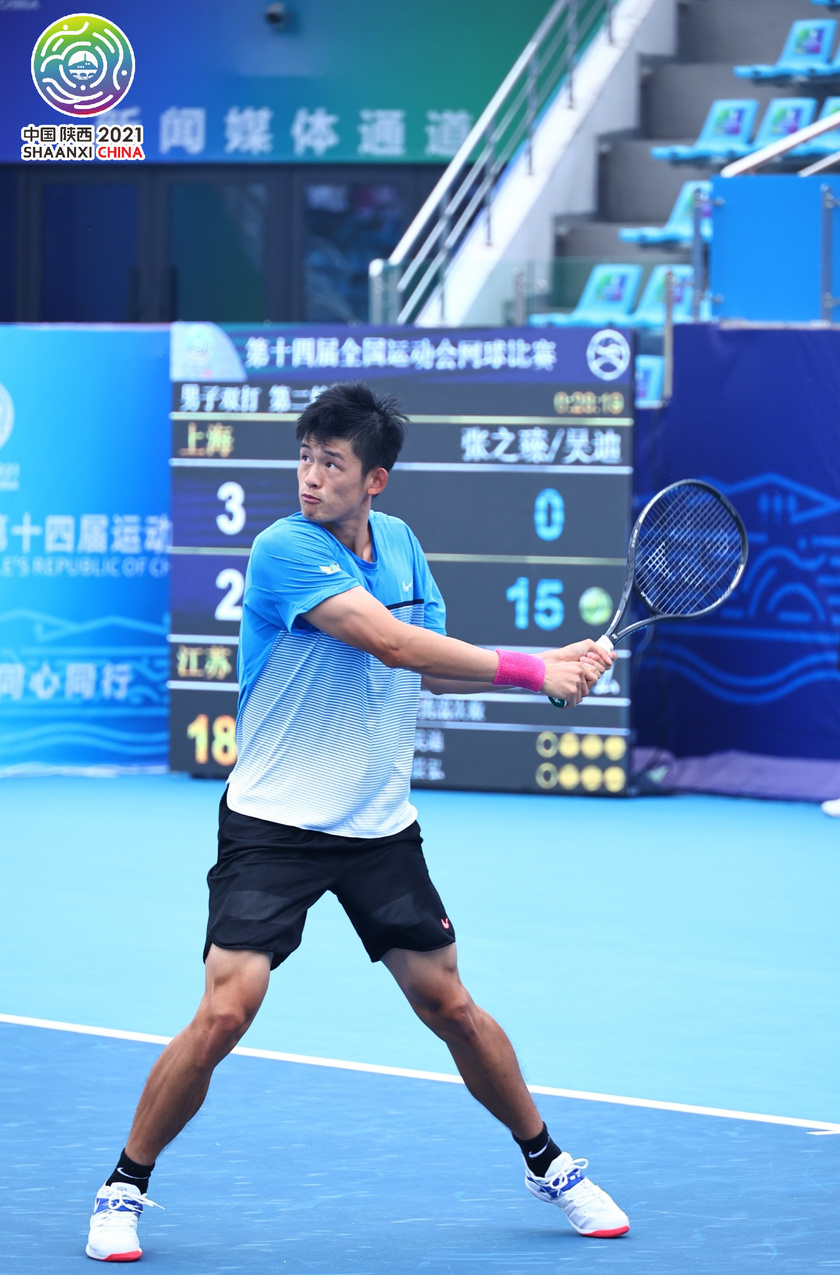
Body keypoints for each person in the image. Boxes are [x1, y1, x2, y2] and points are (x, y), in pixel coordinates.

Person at [85, 381, 629, 1262]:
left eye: (331, 463)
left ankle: (549, 1163)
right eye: (304, 457)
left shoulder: (402, 544)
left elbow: (429, 668)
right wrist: (535, 672)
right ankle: (123, 1184)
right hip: (274, 824)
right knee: (226, 1012)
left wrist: (546, 662)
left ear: (374, 478)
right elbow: (388, 641)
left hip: (378, 827)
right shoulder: (283, 548)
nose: (310, 476)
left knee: (451, 1005)